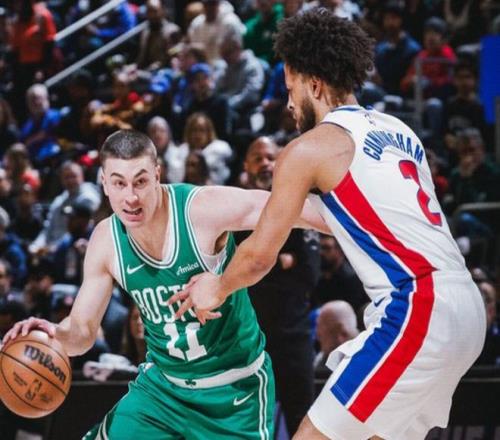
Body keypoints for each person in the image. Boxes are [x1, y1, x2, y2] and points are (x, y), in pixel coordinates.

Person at [173, 9, 487, 439]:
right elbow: (359, 220)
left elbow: (260, 256)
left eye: (291, 89)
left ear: (314, 84)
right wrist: (253, 205)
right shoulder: (399, 131)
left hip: (419, 305)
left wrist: (217, 286)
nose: (288, 103)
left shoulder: (309, 149)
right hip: (467, 307)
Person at [3, 129, 327, 439]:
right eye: (119, 183)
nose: (131, 197)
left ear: (157, 174)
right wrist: (55, 336)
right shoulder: (106, 240)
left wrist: (357, 226)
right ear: (104, 183)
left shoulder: (201, 209)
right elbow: (83, 332)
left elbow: (293, 208)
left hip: (232, 390)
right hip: (163, 389)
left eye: (140, 181)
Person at [237, 137, 319, 436]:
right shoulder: (234, 211)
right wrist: (281, 260)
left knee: (302, 423)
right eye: (257, 158)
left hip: (293, 337)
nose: (265, 163)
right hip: (247, 340)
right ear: (246, 165)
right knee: (247, 424)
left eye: (270, 157)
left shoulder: (300, 205)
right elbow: (231, 269)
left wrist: (256, 263)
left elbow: (309, 274)